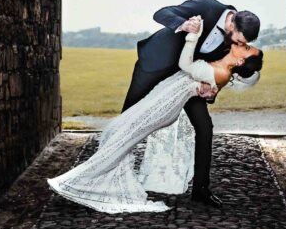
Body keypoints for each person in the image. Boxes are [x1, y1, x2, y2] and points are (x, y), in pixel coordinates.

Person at [47, 15, 262, 213]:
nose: (244, 45)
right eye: (246, 42)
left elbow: (187, 65)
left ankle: (81, 179)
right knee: (125, 130)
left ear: (241, 61)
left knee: (130, 132)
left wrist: (193, 37)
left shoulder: (224, 70)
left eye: (248, 47)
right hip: (165, 91)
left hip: (167, 101)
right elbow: (208, 80)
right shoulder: (224, 48)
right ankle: (94, 174)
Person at [123, 0, 260, 206]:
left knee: (205, 127)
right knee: (127, 120)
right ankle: (113, 172)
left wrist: (212, 91)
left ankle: (201, 190)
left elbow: (220, 70)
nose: (238, 45)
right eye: (239, 39)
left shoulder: (233, 42)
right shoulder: (206, 6)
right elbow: (161, 12)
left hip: (187, 80)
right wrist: (183, 24)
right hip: (156, 65)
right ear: (231, 23)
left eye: (243, 43)